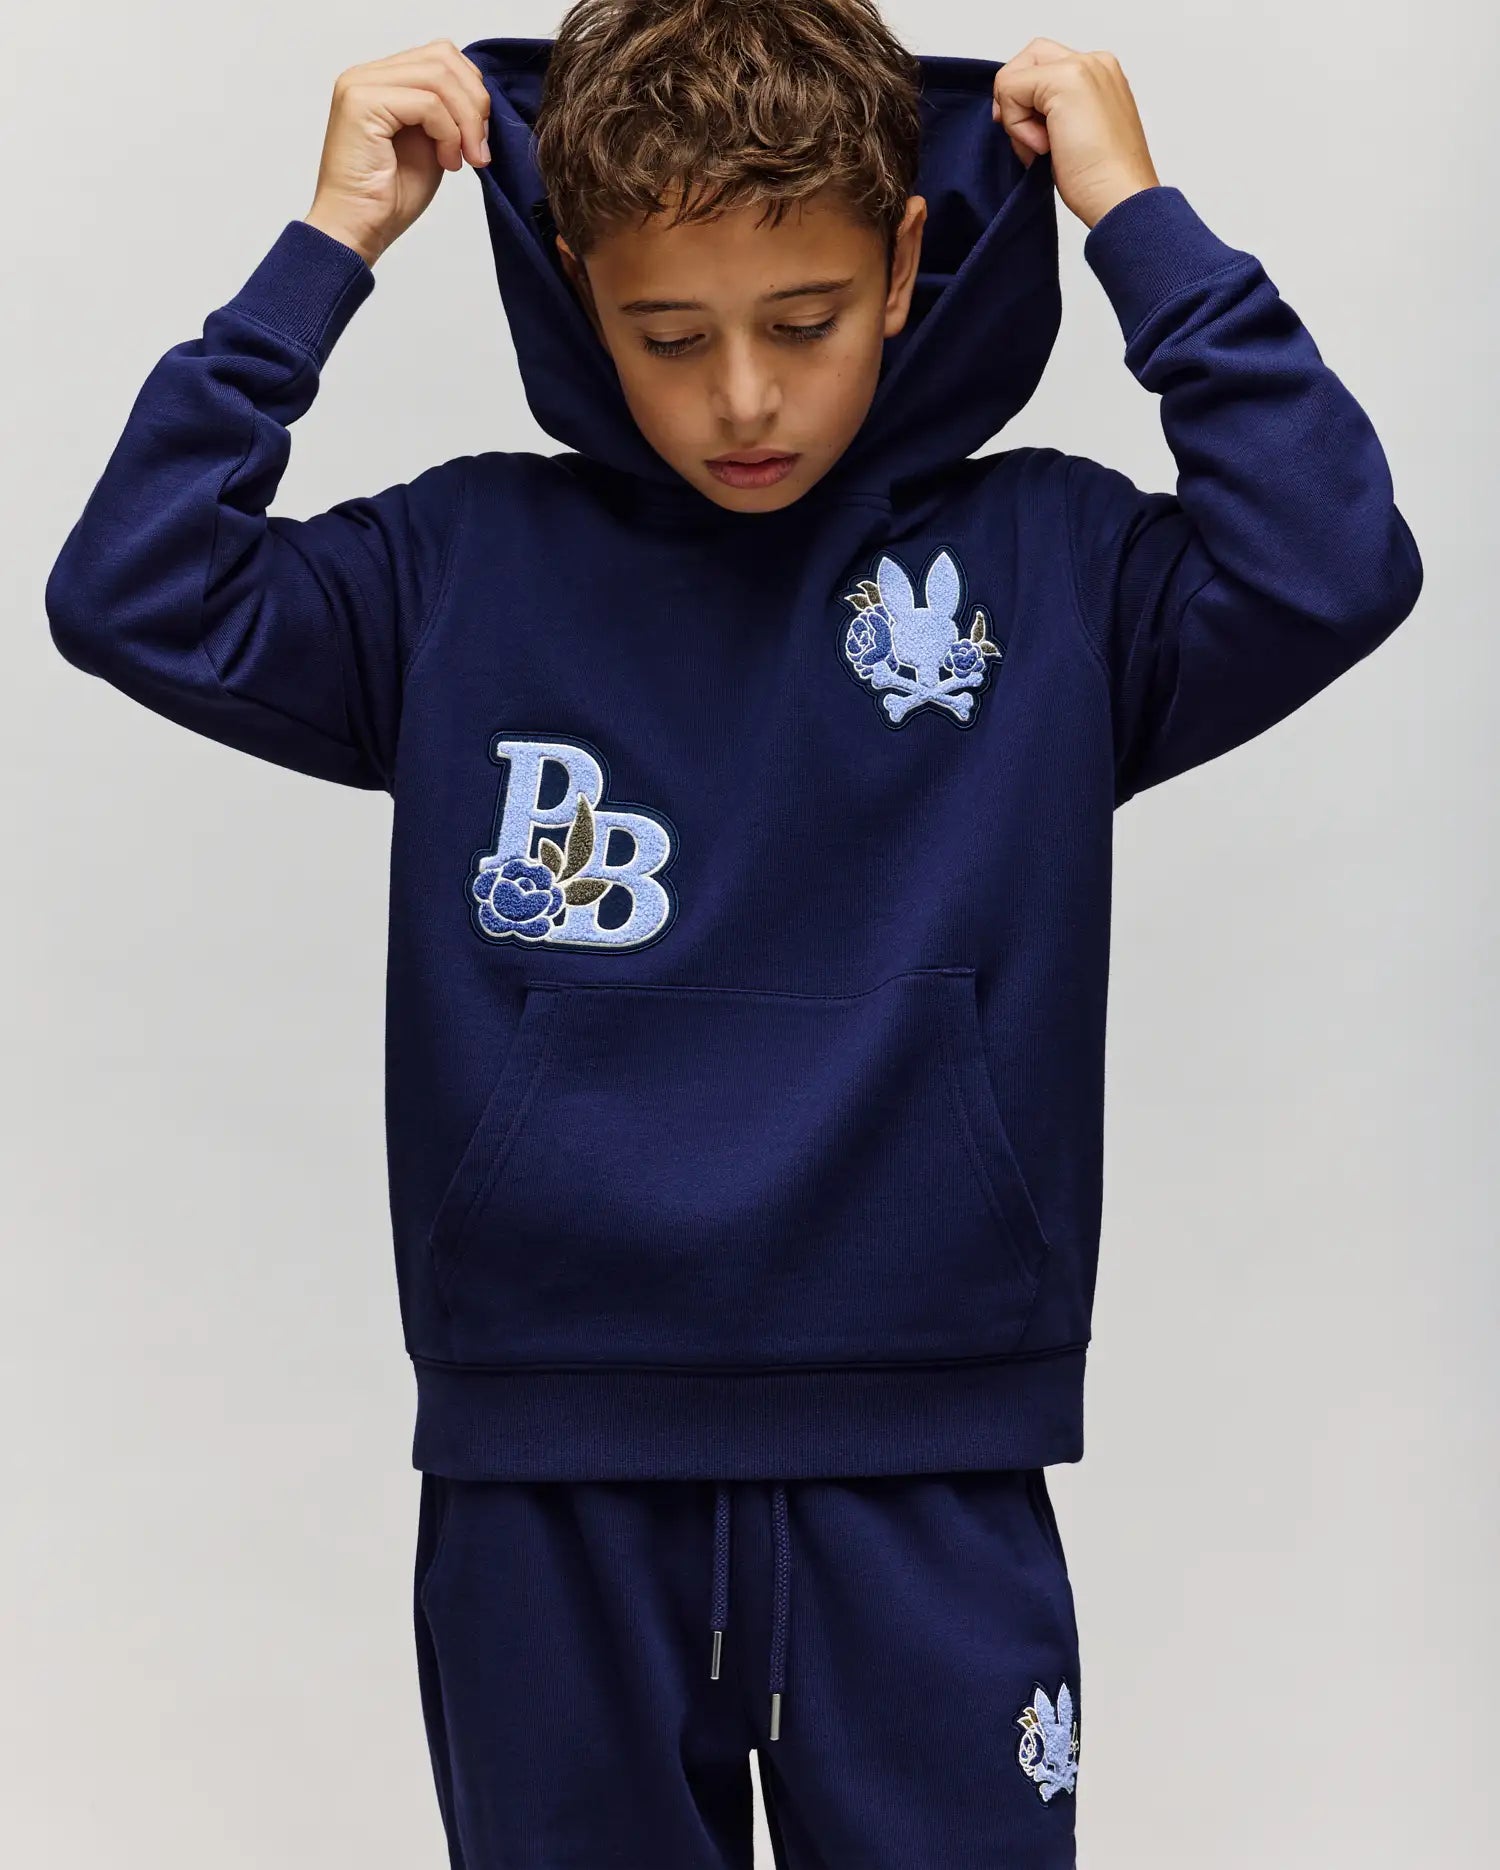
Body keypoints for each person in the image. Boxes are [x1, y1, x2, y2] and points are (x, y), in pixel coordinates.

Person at [43, 2, 1423, 1864]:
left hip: (929, 1457)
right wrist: (328, 246)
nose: (745, 399)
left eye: (807, 321)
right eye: (671, 337)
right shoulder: (454, 573)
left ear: (907, 265)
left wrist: (1141, 222)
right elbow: (136, 589)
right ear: (577, 287)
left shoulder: (1053, 572)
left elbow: (1334, 562)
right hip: (547, 1465)